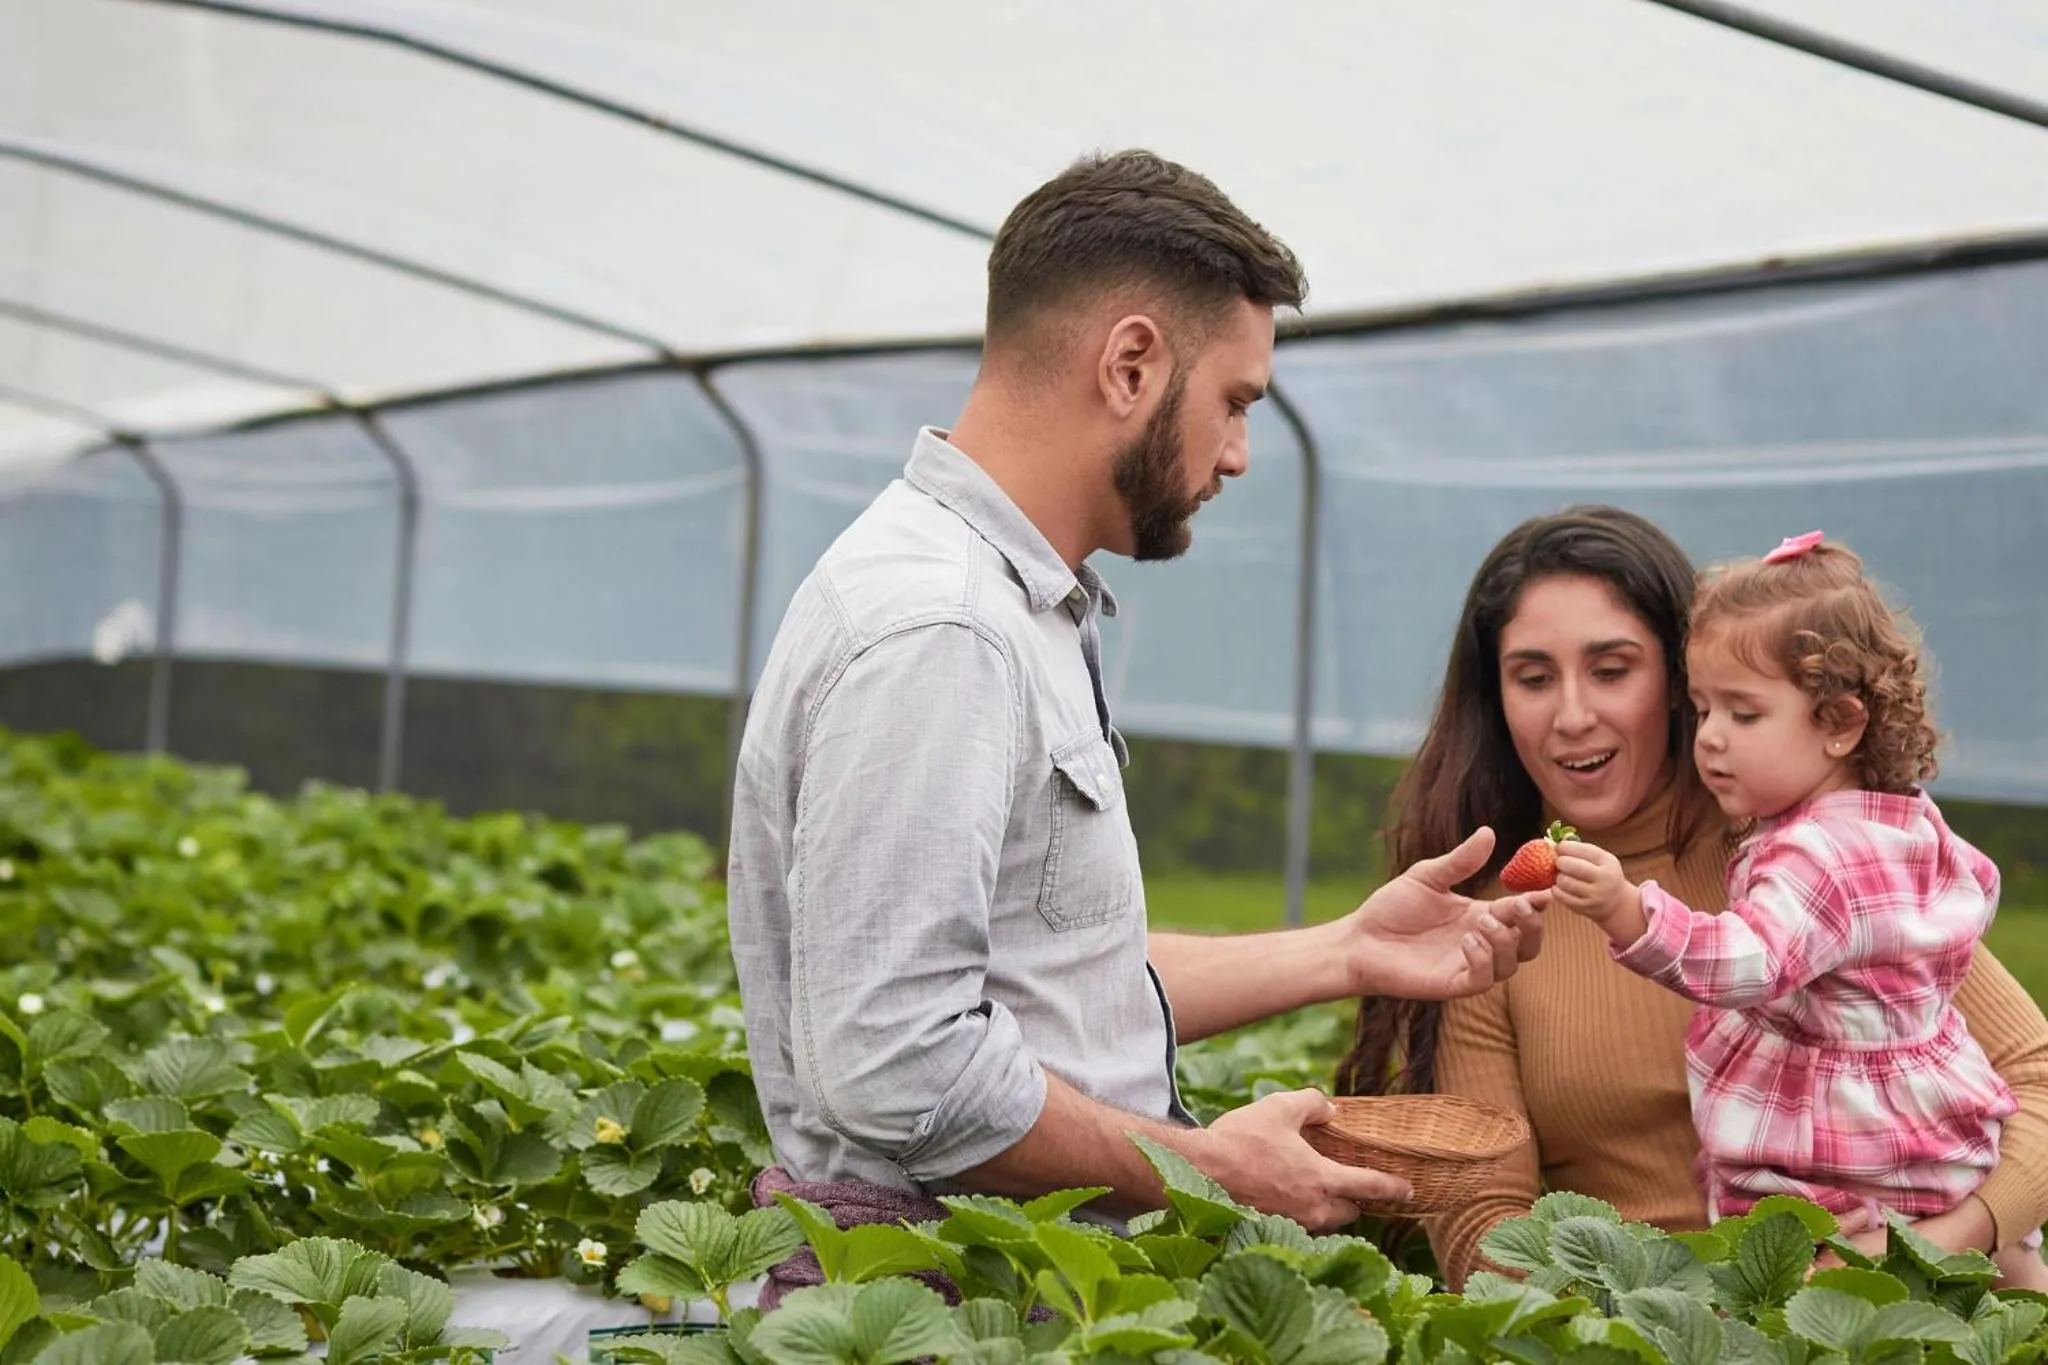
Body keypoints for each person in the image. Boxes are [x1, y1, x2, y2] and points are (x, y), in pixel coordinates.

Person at [724, 149, 1548, 1301]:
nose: (1237, 454)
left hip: (1007, 1279)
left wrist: (1345, 949)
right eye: (1234, 401)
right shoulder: (940, 627)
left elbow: (1045, 979)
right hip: (954, 1302)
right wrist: (1206, 1169)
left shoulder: (1018, 608)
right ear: (1128, 364)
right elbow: (898, 1062)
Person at [1336, 506, 2048, 1290]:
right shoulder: (1496, 920)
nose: (1573, 715)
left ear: (1677, 680)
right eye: (1533, 677)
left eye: (1612, 670)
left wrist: (1943, 1242)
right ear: (1496, 698)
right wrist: (1680, 1319)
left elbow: (2035, 1074)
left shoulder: (1812, 863)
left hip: (1889, 1296)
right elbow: (1486, 1223)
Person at [1550, 531, 2044, 1279]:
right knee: (1999, 1286)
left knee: (1796, 1277)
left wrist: (1628, 909)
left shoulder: (1819, 856)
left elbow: (1749, 960)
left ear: (1841, 723)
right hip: (1927, 1143)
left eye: (1744, 715)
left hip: (1847, 1158)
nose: (1709, 738)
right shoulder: (1900, 821)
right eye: (1703, 707)